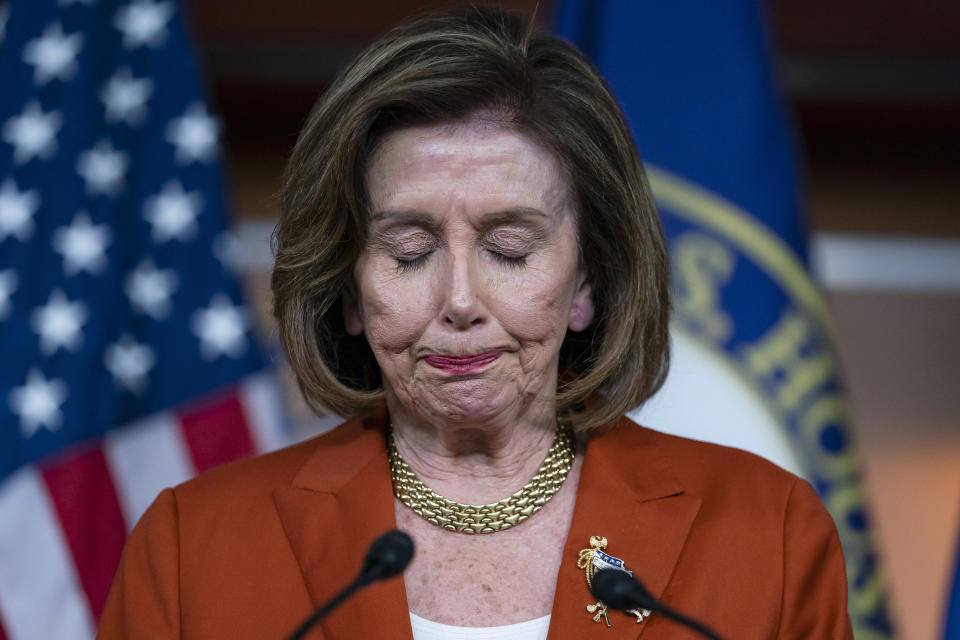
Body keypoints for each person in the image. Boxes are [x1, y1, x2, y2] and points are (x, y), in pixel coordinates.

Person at [99, 8, 853, 639]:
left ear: (586, 281)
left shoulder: (766, 532)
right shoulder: (194, 547)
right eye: (409, 251)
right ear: (350, 289)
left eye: (508, 249)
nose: (459, 299)